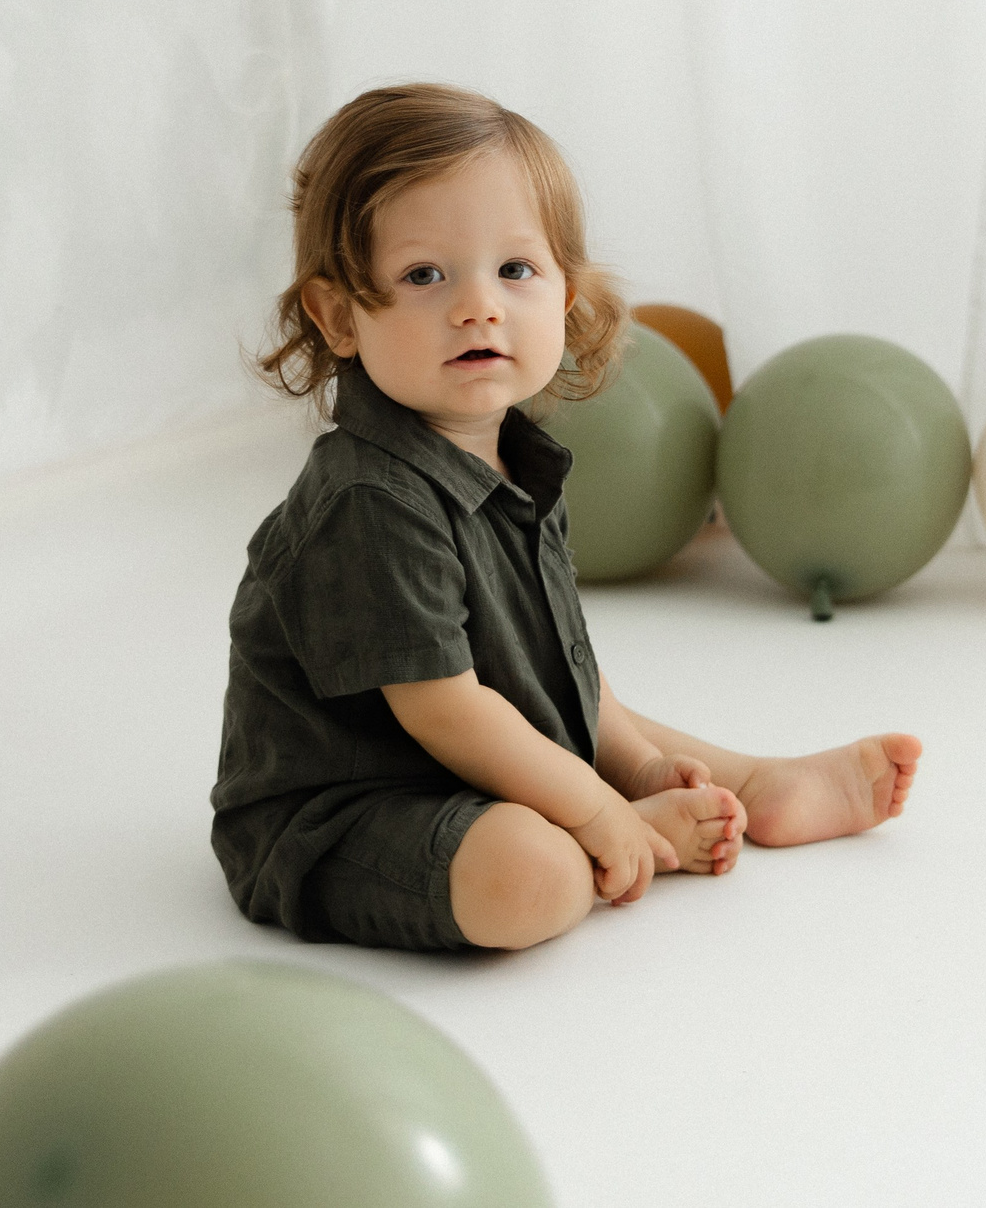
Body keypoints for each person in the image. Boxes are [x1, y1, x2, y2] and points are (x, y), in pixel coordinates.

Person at [210, 84, 922, 952]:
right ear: (338, 316)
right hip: (352, 805)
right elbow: (448, 714)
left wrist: (638, 767)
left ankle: (751, 781)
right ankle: (640, 839)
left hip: (487, 760)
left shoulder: (515, 458)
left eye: (515, 270)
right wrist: (594, 806)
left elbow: (564, 666)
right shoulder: (371, 500)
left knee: (582, 717)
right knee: (529, 876)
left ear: (565, 294)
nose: (479, 306)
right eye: (424, 275)